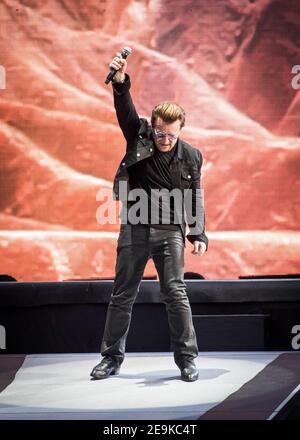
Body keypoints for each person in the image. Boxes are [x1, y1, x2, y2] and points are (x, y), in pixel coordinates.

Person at [90, 52, 208, 382]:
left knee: (175, 292)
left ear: (181, 129)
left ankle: (187, 359)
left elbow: (194, 195)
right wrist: (120, 80)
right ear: (152, 127)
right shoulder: (139, 135)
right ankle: (111, 359)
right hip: (135, 228)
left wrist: (197, 233)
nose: (165, 140)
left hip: (170, 232)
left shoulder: (192, 156)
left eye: (171, 135)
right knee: (122, 294)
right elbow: (124, 109)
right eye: (160, 133)